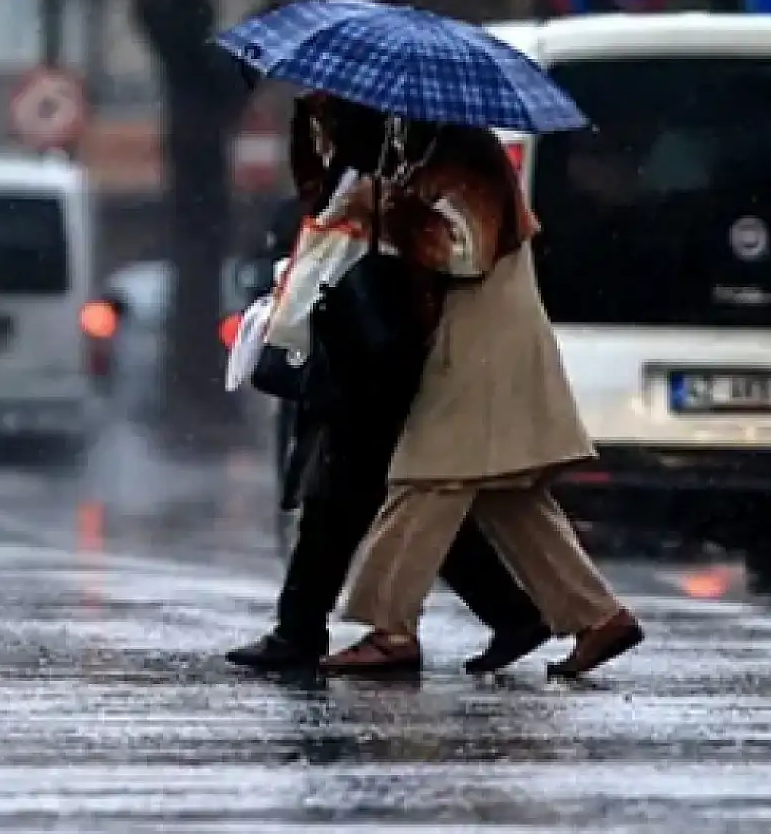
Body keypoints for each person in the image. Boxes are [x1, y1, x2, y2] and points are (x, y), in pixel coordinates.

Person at [227, 95, 550, 674]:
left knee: (350, 492)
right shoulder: (377, 151)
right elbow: (317, 205)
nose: (324, 114)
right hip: (351, 338)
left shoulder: (448, 152)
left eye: (330, 106)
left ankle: (304, 628)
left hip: (390, 344)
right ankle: (508, 612)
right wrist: (313, 133)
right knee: (381, 493)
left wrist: (392, 211)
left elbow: (462, 251)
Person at [318, 120, 643, 678]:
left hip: (481, 341)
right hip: (483, 335)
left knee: (426, 477)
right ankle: (598, 616)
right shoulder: (436, 153)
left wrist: (386, 208)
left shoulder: (467, 157)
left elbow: (465, 253)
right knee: (507, 493)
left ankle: (390, 628)